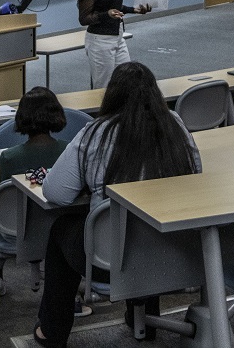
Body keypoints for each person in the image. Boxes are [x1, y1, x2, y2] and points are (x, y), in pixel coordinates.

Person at [34, 62, 200, 348]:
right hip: (171, 253)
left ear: (112, 94)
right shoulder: (175, 124)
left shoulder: (96, 132)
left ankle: (53, 332)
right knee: (149, 218)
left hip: (110, 261)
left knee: (62, 229)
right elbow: (196, 172)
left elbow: (56, 192)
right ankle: (145, 322)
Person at [0, 87, 70, 301]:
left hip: (17, 231)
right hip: (58, 229)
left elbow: (8, 203)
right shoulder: (67, 151)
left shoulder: (9, 158)